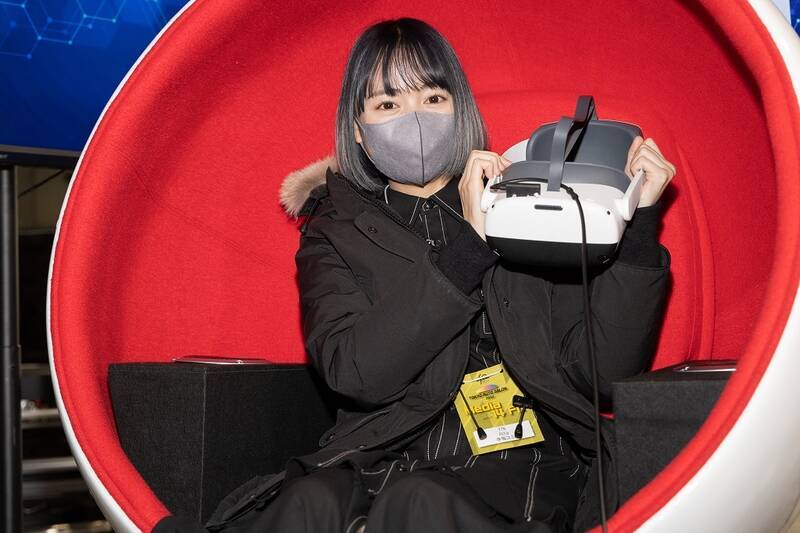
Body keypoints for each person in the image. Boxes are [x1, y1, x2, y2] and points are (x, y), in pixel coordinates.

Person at [200, 17, 674, 533]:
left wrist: (639, 224)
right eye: (388, 104)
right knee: (308, 503)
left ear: (459, 108)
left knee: (419, 503)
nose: (415, 119)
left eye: (432, 97)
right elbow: (355, 372)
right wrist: (468, 250)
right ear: (358, 129)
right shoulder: (334, 230)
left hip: (516, 462)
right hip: (381, 451)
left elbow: (602, 376)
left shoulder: (529, 204)